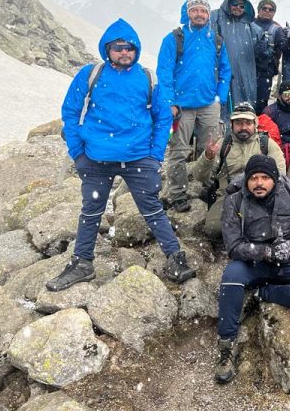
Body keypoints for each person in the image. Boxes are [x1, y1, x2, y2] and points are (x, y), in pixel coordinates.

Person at [47, 19, 196, 292]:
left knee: (152, 210)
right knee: (91, 212)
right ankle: (82, 263)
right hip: (95, 158)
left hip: (138, 159)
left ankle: (175, 258)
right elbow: (70, 111)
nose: (124, 53)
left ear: (136, 50)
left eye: (129, 48)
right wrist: (78, 153)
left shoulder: (147, 78)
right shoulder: (92, 74)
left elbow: (163, 119)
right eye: (118, 48)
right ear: (108, 49)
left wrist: (153, 157)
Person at [215, 155, 290, 384]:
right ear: (246, 180)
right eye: (254, 178)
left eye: (265, 177)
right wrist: (266, 252)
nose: (259, 183)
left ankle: (262, 294)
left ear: (274, 179)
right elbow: (234, 246)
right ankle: (227, 345)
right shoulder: (235, 201)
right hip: (256, 264)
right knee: (231, 277)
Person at [158, 0, 232, 212]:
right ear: (187, 13)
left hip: (209, 104)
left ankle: (205, 189)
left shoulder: (216, 40)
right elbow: (164, 72)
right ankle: (178, 194)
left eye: (203, 11)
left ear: (208, 15)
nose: (199, 14)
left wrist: (220, 97)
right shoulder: (175, 38)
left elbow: (225, 71)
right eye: (195, 10)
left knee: (208, 150)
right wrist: (169, 102)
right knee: (178, 151)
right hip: (181, 106)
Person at [194, 102, 286, 238]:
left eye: (248, 123)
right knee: (213, 229)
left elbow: (280, 176)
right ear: (231, 125)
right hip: (228, 196)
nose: (243, 127)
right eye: (238, 123)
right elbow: (200, 177)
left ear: (255, 124)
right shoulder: (221, 145)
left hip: (261, 195)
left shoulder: (267, 145)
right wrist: (208, 157)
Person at [211, 0, 262, 112]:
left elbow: (262, 53)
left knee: (243, 108)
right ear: (228, 3)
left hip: (244, 75)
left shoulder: (252, 27)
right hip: (219, 72)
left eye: (242, 5)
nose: (238, 8)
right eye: (235, 4)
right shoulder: (215, 17)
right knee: (219, 106)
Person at [252, 0, 285, 115]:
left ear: (274, 12)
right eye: (264, 8)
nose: (267, 11)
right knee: (245, 103)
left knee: (261, 106)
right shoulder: (248, 25)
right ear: (258, 10)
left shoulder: (277, 29)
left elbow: (285, 47)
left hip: (266, 73)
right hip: (247, 71)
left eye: (270, 9)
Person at [262, 81, 290, 166]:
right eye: (286, 94)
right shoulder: (270, 111)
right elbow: (264, 135)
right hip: (276, 148)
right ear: (280, 95)